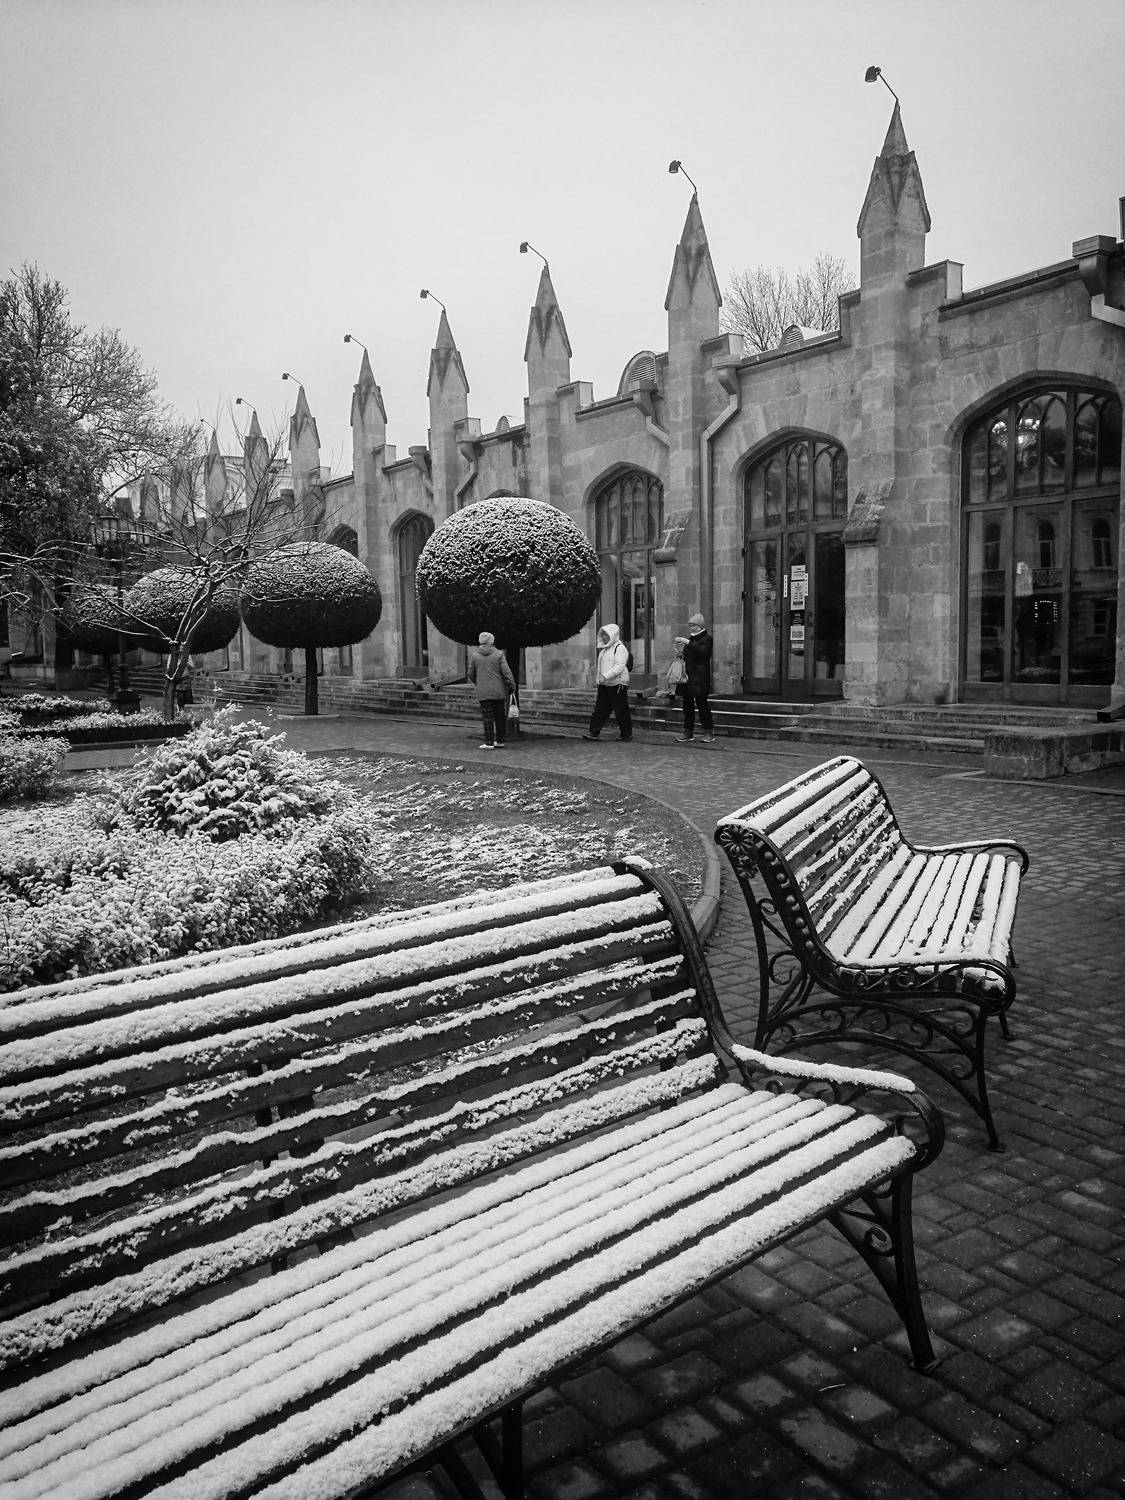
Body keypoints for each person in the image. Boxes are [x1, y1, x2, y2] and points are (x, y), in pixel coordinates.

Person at [582, 622, 632, 742]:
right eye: (603, 634)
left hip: (618, 684)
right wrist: (600, 679)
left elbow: (619, 667)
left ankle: (626, 734)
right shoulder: (605, 649)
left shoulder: (620, 648)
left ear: (612, 635)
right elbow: (601, 667)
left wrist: (605, 676)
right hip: (605, 684)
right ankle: (594, 732)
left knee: (621, 710)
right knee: (600, 709)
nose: (604, 637)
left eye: (606, 634)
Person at [467, 631, 516, 749]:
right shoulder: (499, 654)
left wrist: (478, 682)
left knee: (487, 717)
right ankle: (500, 741)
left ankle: (488, 742)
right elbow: (506, 672)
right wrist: (511, 685)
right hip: (499, 691)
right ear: (492, 641)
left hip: (483, 691)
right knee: (500, 716)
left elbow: (470, 673)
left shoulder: (475, 655)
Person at [677, 612, 715, 744]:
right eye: (691, 625)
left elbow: (703, 652)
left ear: (701, 626)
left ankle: (708, 731)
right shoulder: (691, 639)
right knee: (687, 706)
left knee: (702, 705)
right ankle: (688, 731)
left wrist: (687, 642)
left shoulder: (707, 638)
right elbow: (690, 656)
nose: (692, 628)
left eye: (694, 625)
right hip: (688, 677)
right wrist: (680, 654)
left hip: (700, 678)